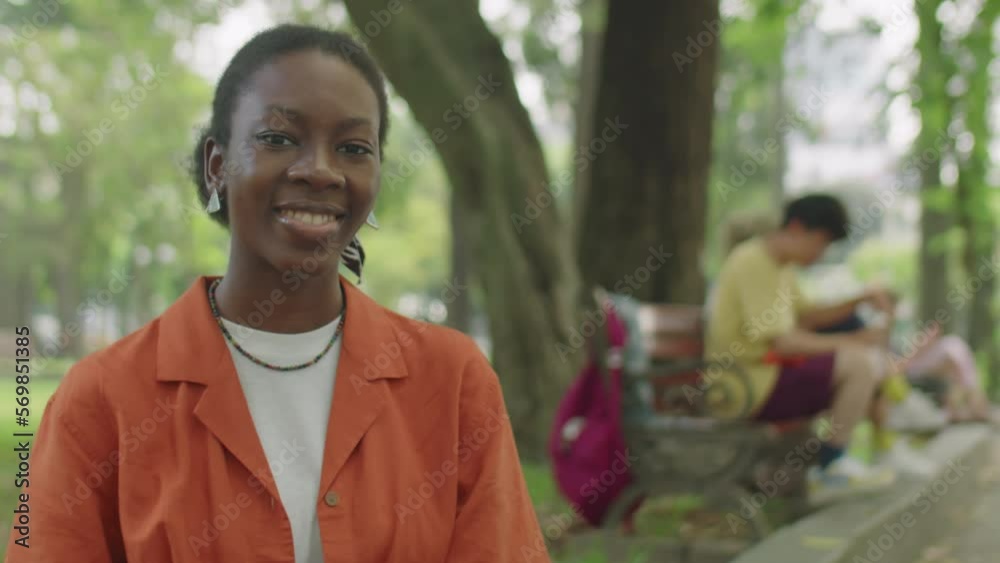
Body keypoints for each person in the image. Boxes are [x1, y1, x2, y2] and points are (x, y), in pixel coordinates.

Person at [7, 25, 548, 563]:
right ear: (217, 165)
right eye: (278, 138)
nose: (319, 170)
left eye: (353, 147)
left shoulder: (452, 382)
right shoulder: (101, 401)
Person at [705, 194, 897, 498]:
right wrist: (852, 342)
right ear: (796, 228)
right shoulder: (752, 261)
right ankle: (831, 468)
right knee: (859, 363)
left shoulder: (780, 265)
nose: (820, 254)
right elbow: (782, 343)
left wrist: (860, 299)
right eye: (820, 243)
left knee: (864, 357)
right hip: (744, 385)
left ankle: (868, 449)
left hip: (765, 378)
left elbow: (809, 317)